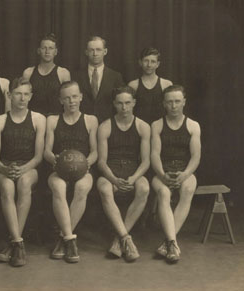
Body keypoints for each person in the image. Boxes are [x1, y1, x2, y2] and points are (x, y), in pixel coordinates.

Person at [0, 77, 46, 267]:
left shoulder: (39, 119)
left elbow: (38, 157)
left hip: (29, 167)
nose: (22, 98)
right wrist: (6, 169)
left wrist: (23, 169)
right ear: (9, 95)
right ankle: (18, 243)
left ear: (31, 96)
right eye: (18, 94)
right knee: (7, 187)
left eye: (26, 94)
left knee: (23, 183)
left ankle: (13, 242)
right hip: (5, 167)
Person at [44, 81, 98, 263]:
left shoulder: (91, 120)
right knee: (58, 187)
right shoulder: (52, 120)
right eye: (67, 98)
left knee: (82, 187)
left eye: (75, 96)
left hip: (83, 169)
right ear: (61, 100)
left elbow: (95, 151)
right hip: (59, 169)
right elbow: (46, 151)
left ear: (81, 97)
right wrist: (56, 161)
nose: (71, 101)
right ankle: (70, 239)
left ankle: (62, 238)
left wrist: (85, 164)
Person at [97, 86, 150, 262]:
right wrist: (113, 179)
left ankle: (118, 239)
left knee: (144, 187)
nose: (124, 107)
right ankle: (127, 239)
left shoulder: (143, 126)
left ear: (134, 103)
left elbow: (146, 161)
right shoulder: (105, 126)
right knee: (104, 188)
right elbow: (101, 161)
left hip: (133, 171)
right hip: (111, 171)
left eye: (128, 103)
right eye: (120, 103)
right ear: (114, 104)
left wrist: (134, 178)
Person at [151, 85, 201, 263]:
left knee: (187, 190)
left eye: (177, 101)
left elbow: (196, 156)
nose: (174, 106)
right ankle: (172, 242)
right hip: (162, 171)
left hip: (185, 170)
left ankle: (169, 242)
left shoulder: (193, 125)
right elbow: (154, 155)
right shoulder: (157, 125)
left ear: (184, 102)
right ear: (164, 104)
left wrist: (185, 174)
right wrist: (163, 174)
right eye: (170, 102)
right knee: (163, 193)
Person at [75, 36, 124, 123]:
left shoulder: (116, 76)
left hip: (108, 124)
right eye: (91, 50)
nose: (95, 53)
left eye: (98, 50)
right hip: (82, 124)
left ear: (105, 51)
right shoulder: (76, 76)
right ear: (86, 52)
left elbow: (119, 102)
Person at [23, 33, 71, 116]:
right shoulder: (28, 72)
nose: (47, 52)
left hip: (56, 119)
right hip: (34, 120)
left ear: (55, 52)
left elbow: (68, 101)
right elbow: (23, 99)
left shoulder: (63, 73)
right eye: (44, 48)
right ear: (38, 50)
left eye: (51, 48)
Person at [128, 47, 173, 125]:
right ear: (140, 62)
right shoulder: (133, 85)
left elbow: (171, 110)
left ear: (157, 64)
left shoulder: (166, 84)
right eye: (146, 61)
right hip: (139, 128)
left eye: (153, 61)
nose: (149, 65)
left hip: (161, 128)